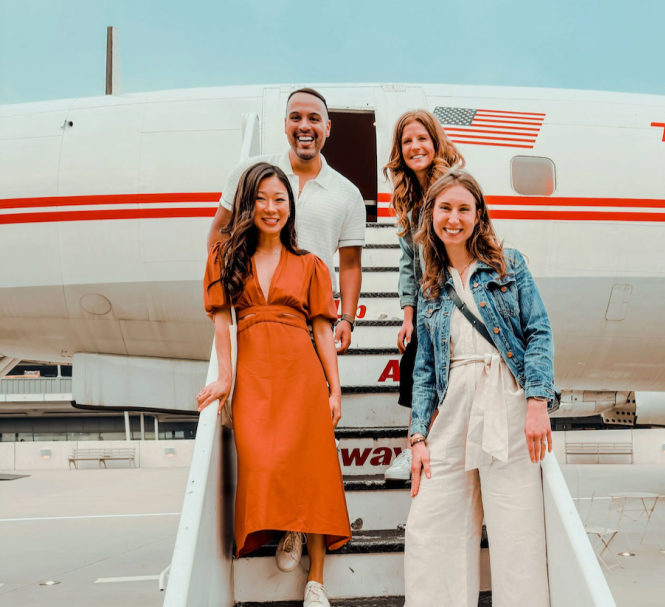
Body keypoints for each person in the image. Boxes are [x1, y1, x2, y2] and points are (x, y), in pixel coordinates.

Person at [197, 163, 350, 607]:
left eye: (280, 199)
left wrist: (334, 388)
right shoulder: (225, 256)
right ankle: (291, 525)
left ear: (291, 207)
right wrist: (225, 376)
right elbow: (222, 321)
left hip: (301, 373)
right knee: (263, 462)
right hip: (256, 377)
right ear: (248, 203)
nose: (271, 208)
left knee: (315, 470)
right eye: (262, 198)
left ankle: (316, 580)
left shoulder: (310, 265)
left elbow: (322, 331)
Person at [404, 170, 555, 607]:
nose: (454, 218)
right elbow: (426, 370)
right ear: (431, 214)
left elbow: (538, 332)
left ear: (478, 215)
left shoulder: (510, 264)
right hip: (452, 407)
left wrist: (537, 403)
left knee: (516, 529)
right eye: (445, 208)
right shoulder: (430, 286)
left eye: (463, 209)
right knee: (430, 527)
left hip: (507, 398)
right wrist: (418, 436)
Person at [208, 87, 365, 354]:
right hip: (253, 313)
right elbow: (219, 233)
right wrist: (224, 295)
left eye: (314, 119)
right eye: (296, 117)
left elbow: (350, 265)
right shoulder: (248, 173)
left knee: (314, 393)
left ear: (327, 127)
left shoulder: (349, 194)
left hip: (314, 320)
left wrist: (347, 318)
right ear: (284, 124)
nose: (304, 126)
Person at [381, 110, 464, 481]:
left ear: (435, 142)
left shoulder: (451, 186)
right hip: (426, 301)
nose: (415, 147)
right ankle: (420, 445)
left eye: (422, 139)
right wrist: (407, 315)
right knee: (414, 366)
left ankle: (429, 445)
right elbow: (406, 261)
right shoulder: (408, 197)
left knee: (438, 369)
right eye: (407, 141)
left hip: (454, 296)